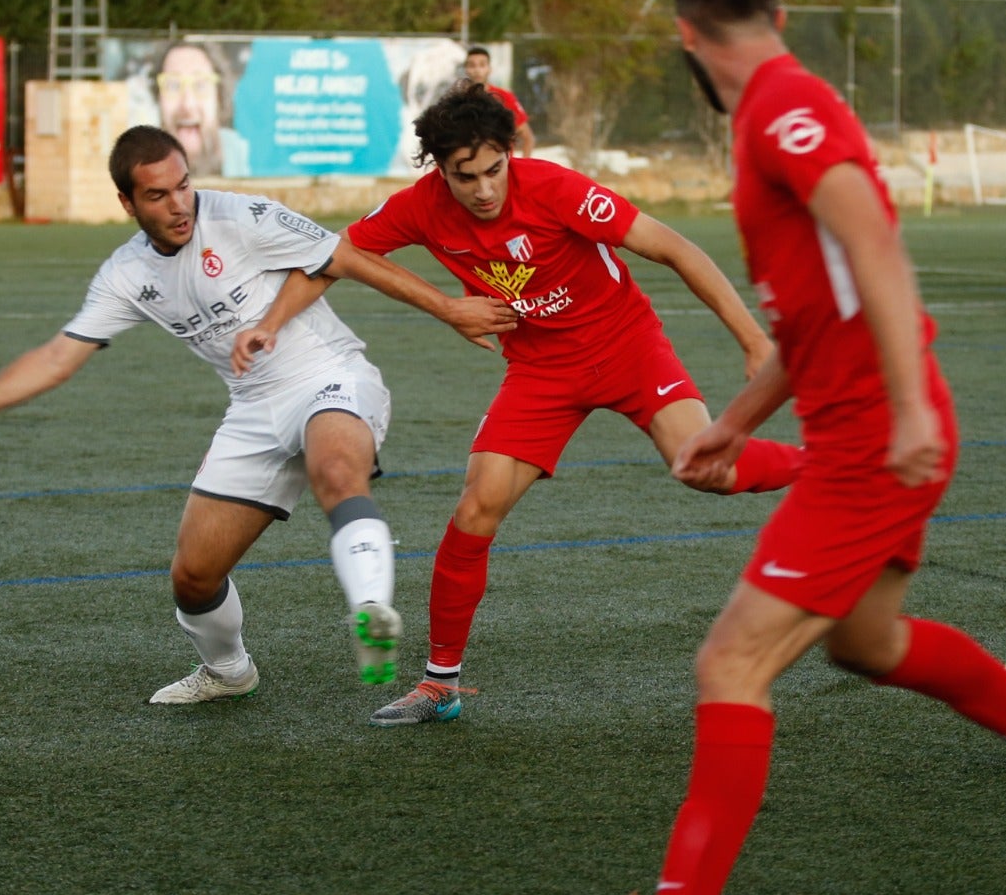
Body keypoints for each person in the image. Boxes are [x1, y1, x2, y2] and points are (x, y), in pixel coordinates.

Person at [546, 0, 1006, 895]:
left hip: (872, 444)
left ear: (685, 33)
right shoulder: (777, 99)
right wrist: (737, 416)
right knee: (866, 643)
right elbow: (819, 310)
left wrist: (904, 410)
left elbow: (872, 242)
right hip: (868, 428)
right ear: (769, 6)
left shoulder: (778, 105)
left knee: (730, 662)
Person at [0, 125, 516, 701]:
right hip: (253, 408)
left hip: (330, 375)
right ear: (128, 203)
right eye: (158, 195)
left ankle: (372, 609)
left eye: (184, 184)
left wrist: (448, 308)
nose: (180, 203)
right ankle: (227, 671)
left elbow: (345, 257)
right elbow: (58, 356)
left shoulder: (239, 214)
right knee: (193, 576)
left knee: (336, 471)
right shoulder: (127, 274)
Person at [338, 81, 802, 727]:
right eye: (463, 176)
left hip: (628, 345)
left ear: (510, 151)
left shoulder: (555, 188)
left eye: (494, 169)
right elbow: (344, 251)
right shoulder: (420, 207)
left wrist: (754, 341)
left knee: (706, 469)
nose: (482, 189)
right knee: (476, 509)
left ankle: (829, 467)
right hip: (540, 370)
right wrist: (444, 306)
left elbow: (675, 248)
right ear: (438, 170)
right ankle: (440, 684)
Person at [152, 42, 249, 178]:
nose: (188, 105)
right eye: (173, 85)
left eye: (200, 85)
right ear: (158, 99)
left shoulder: (246, 156)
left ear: (219, 97)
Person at [463, 46, 535, 158]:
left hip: (501, 168)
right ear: (466, 69)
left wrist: (522, 168)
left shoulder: (504, 97)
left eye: (482, 65)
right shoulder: (458, 100)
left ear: (489, 68)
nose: (477, 70)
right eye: (472, 65)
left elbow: (527, 137)